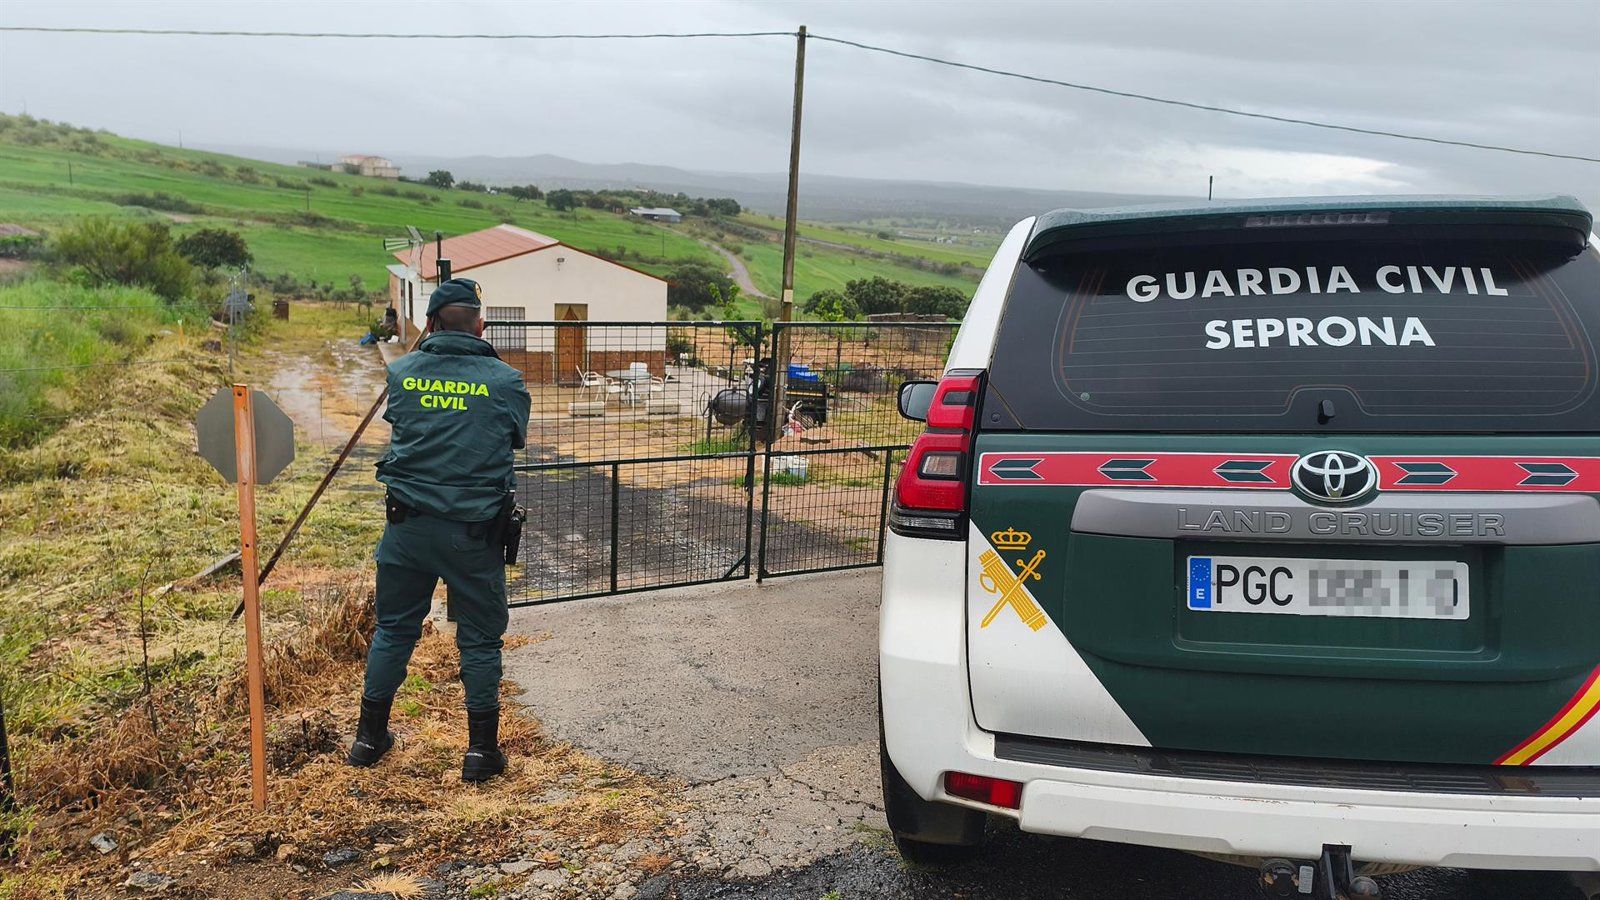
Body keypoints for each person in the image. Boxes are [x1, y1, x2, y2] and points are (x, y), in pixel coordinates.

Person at [348, 278, 532, 782]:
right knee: (479, 639)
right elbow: (514, 437)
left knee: (394, 629)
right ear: (481, 324)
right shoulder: (506, 381)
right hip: (473, 534)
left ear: (429, 322)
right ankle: (480, 753)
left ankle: (367, 739)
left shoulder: (402, 373)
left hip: (406, 530)